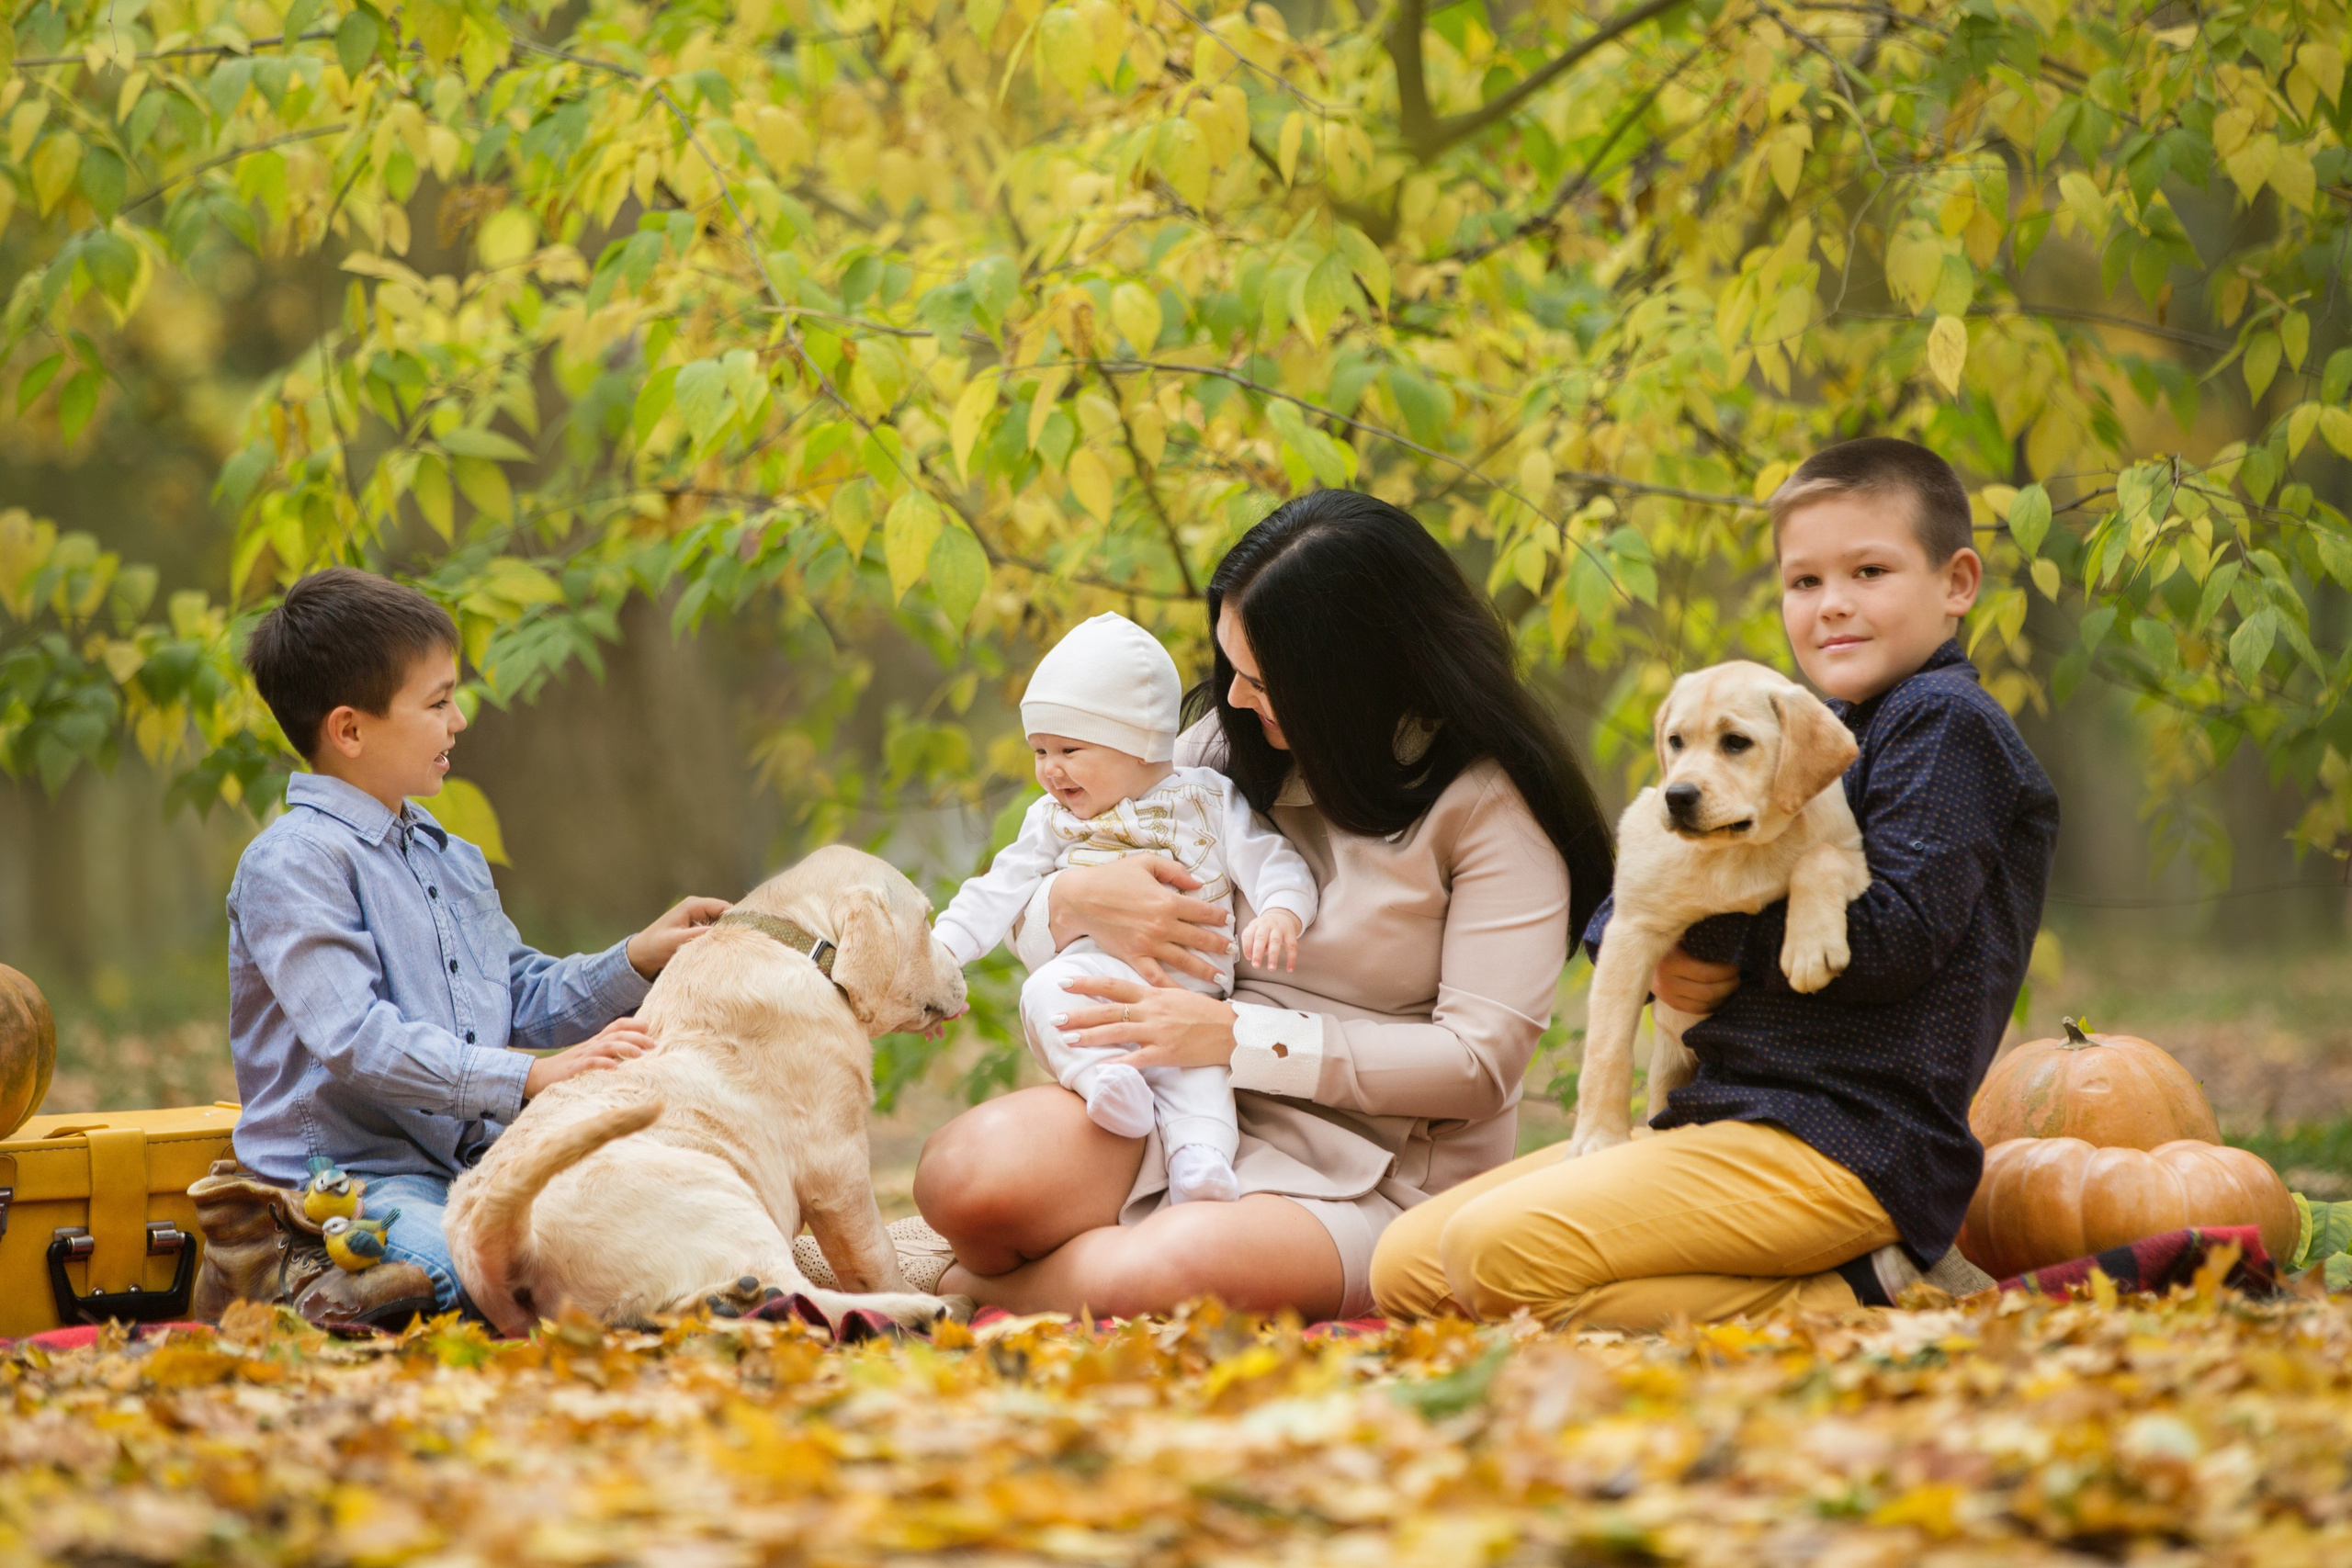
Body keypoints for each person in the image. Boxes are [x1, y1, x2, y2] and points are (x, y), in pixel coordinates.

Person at [1371, 436, 2061, 1327]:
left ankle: (1855, 1289)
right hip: (1719, 1112)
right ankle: (1839, 1286)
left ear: (1956, 583)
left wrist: (1705, 940)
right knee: (1409, 1266)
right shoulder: (1793, 720)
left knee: (1486, 1258)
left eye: (1869, 571)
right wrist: (1651, 947)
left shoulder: (1943, 725)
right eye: (1803, 582)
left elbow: (1891, 940)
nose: (1831, 606)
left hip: (1847, 1141)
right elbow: (1642, 896)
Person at [911, 491, 1616, 1321]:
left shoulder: (1492, 813)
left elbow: (1478, 1064)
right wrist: (1071, 903)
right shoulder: (1225, 751)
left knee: (1170, 1270)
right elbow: (1047, 884)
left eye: (1261, 678)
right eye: (1230, 669)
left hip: (1380, 1174)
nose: (1236, 699)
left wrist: (1238, 1039)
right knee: (963, 1179)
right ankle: (1066, 1261)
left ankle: (957, 1289)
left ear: (1351, 678)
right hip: (1178, 1095)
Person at [228, 568, 729, 1314]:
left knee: (629, 1231)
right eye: (437, 703)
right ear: (350, 729)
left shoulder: (447, 856)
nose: (459, 720)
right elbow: (357, 1038)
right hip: (345, 1180)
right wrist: (528, 1080)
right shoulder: (293, 863)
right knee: (479, 1275)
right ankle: (300, 1273)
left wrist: (638, 957)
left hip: (483, 1162)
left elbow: (518, 994)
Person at [933, 613, 1320, 1205]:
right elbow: (998, 890)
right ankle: (1104, 1083)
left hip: (1194, 992)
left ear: (1140, 741)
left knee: (1200, 1070)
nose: (1049, 769)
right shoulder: (1053, 820)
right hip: (1097, 978)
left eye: (1069, 748)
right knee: (1045, 996)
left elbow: (1272, 860)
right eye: (1038, 750)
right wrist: (941, 955)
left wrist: (1281, 912)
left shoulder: (1207, 798)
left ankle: (1202, 1162)